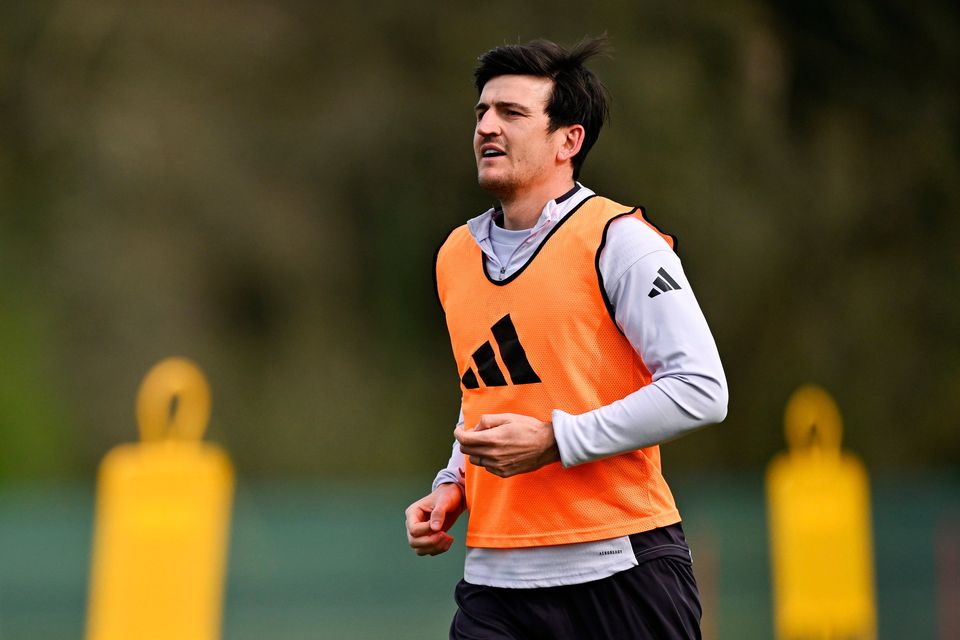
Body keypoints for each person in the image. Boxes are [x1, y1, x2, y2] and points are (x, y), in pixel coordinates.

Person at [404, 36, 727, 639]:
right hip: (495, 581)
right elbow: (491, 387)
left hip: (620, 565)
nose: (487, 127)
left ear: (568, 140)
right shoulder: (454, 255)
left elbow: (702, 389)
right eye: (482, 112)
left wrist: (559, 439)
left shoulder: (619, 240)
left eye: (512, 113)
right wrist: (453, 483)